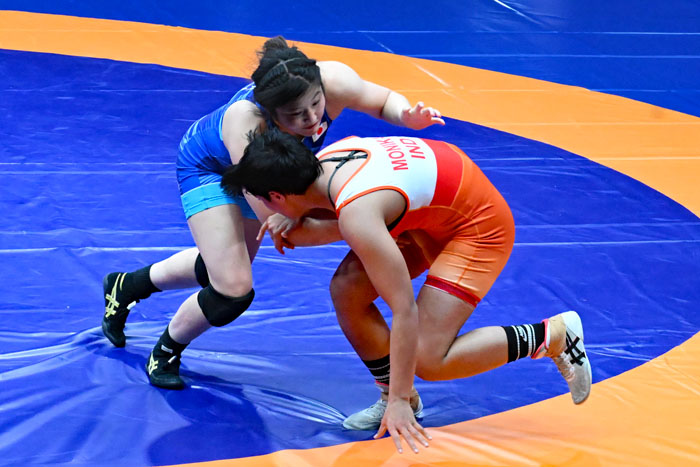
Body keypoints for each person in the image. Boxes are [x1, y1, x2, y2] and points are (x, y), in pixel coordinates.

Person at [100, 35, 444, 400]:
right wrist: (340, 222)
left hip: (266, 172)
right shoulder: (246, 122)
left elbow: (383, 100)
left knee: (226, 261)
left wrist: (406, 115)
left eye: (316, 103)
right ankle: (167, 349)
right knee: (232, 288)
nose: (312, 118)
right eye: (296, 115)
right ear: (271, 112)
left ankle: (128, 285)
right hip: (214, 169)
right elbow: (268, 202)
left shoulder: (333, 79)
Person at [222, 129, 593, 454]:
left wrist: (400, 398)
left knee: (428, 360)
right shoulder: (327, 158)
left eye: (265, 201)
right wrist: (293, 215)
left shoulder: (358, 213)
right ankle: (393, 395)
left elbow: (403, 309)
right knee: (347, 290)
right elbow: (333, 217)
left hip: (477, 225)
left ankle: (552, 336)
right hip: (431, 204)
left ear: (277, 194)